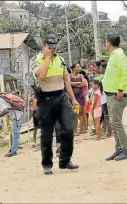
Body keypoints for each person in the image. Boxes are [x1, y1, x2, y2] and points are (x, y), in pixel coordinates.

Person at [31, 35, 79, 175]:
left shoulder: (60, 59)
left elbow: (66, 80)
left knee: (69, 129)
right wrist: (47, 58)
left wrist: (73, 98)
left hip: (61, 97)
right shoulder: (36, 60)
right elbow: (41, 76)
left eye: (54, 46)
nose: (53, 49)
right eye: (50, 46)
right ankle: (47, 164)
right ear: (44, 46)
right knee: (46, 134)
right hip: (45, 99)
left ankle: (65, 160)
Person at [103, 34, 127, 161]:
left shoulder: (119, 55)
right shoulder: (113, 55)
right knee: (114, 123)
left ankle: (125, 150)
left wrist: (120, 89)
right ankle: (119, 149)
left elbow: (125, 73)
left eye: (105, 42)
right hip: (110, 95)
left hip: (117, 95)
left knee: (117, 123)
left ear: (109, 43)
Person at [0, 90, 24, 157]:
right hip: (18, 116)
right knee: (15, 134)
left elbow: (6, 110)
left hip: (18, 117)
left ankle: (13, 152)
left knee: (15, 135)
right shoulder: (0, 98)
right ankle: (13, 149)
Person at [70, 64, 87, 136]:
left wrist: (74, 85)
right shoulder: (69, 76)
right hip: (72, 96)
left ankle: (80, 130)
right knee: (74, 114)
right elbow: (68, 83)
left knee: (80, 113)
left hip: (80, 96)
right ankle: (74, 130)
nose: (79, 68)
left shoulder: (81, 76)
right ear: (73, 68)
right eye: (78, 67)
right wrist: (78, 83)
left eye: (80, 67)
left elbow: (84, 84)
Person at [99, 62, 112, 138]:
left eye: (101, 68)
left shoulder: (108, 76)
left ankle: (109, 133)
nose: (100, 70)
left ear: (104, 68)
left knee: (107, 116)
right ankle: (108, 132)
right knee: (106, 116)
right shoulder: (104, 77)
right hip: (104, 99)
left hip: (106, 99)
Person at [79, 69, 89, 134]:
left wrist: (75, 84)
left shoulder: (84, 80)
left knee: (83, 114)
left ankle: (84, 128)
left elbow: (81, 85)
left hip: (84, 97)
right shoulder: (83, 80)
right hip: (82, 97)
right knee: (83, 113)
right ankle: (84, 128)